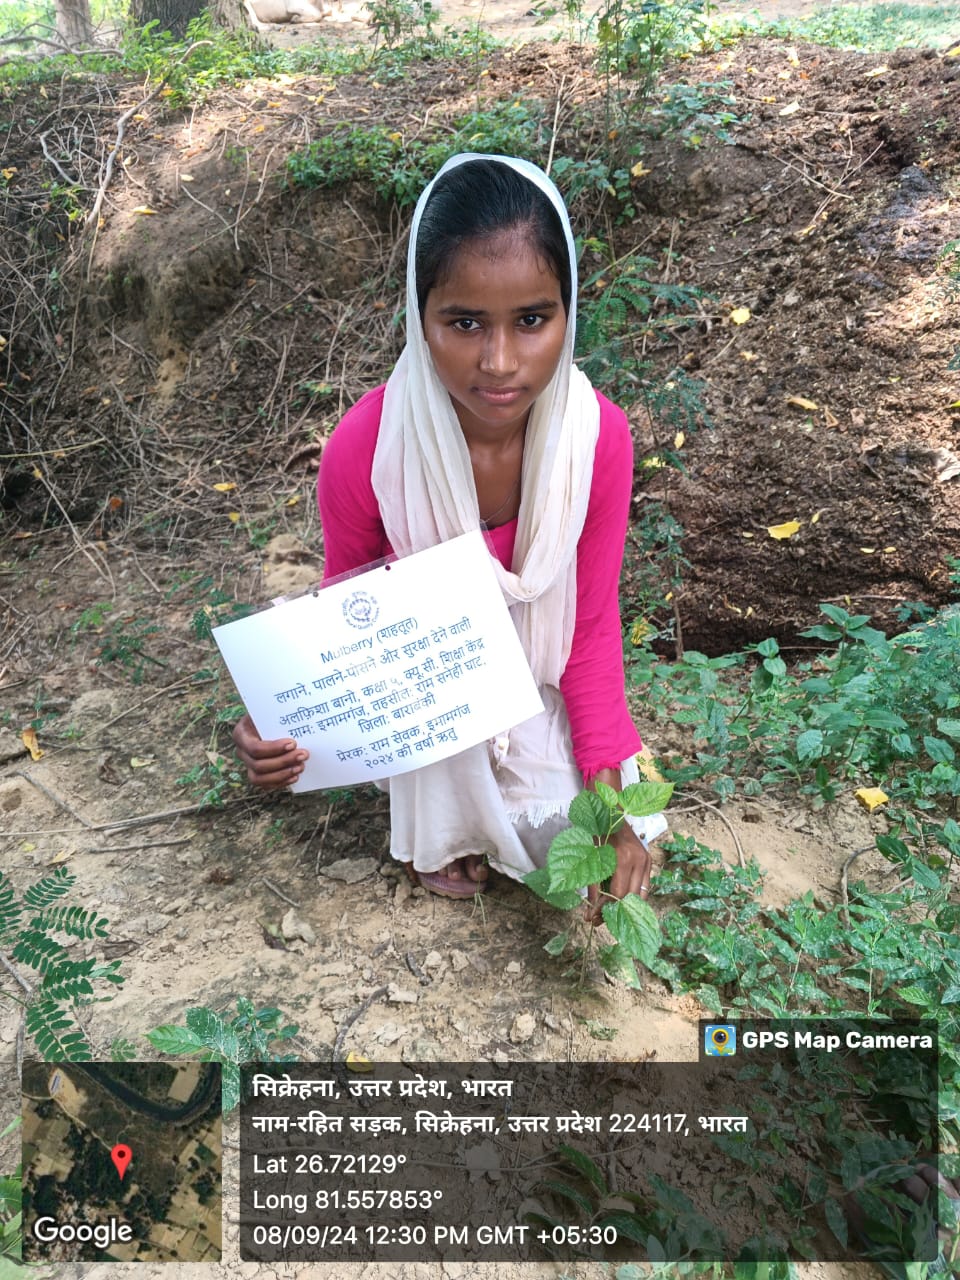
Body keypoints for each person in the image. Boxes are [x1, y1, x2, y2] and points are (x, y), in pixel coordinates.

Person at [233, 153, 666, 911]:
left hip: (536, 681)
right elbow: (354, 629)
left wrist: (610, 806)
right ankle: (448, 822)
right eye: (464, 323)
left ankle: (503, 807)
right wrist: (286, 718)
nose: (499, 363)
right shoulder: (370, 448)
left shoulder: (595, 440)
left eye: (532, 320)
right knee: (472, 754)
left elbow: (589, 630)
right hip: (428, 693)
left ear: (569, 311)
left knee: (584, 840)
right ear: (418, 315)